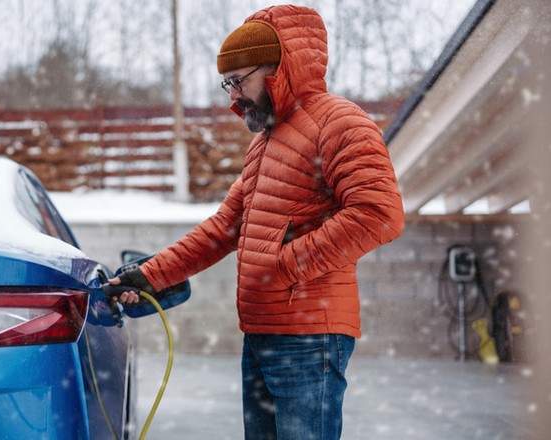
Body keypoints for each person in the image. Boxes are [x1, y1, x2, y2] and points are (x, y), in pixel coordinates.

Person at [109, 4, 404, 439]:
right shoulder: (265, 143)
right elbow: (224, 229)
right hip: (262, 332)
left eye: (239, 80)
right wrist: (149, 275)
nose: (232, 96)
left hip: (310, 337)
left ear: (277, 68)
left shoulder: (341, 123)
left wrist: (284, 266)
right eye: (227, 83)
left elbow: (379, 214)